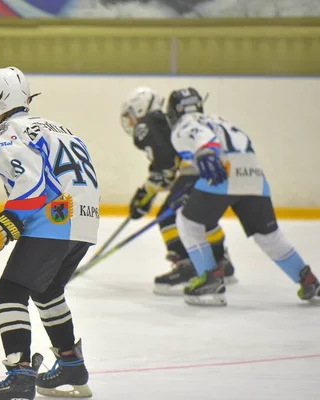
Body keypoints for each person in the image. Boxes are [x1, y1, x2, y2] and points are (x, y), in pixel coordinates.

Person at [0, 66, 99, 399]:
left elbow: (35, 182)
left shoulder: (6, 134)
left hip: (57, 218)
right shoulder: (60, 128)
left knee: (9, 289)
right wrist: (16, 220)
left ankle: (20, 375)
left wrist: (8, 220)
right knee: (47, 290)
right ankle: (71, 364)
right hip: (86, 219)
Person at [167, 87, 320, 306]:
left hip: (225, 170)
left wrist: (206, 152)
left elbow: (202, 139)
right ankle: (307, 279)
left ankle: (210, 279)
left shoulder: (184, 124)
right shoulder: (218, 119)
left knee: (187, 221)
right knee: (268, 235)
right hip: (254, 173)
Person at [120, 87, 236, 295]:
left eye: (130, 116)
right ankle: (220, 261)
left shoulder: (147, 124)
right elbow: (170, 168)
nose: (130, 123)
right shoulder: (166, 122)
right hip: (214, 169)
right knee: (202, 218)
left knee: (168, 217)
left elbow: (165, 165)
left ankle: (187, 265)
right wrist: (148, 192)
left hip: (194, 170)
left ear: (138, 109)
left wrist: (146, 194)